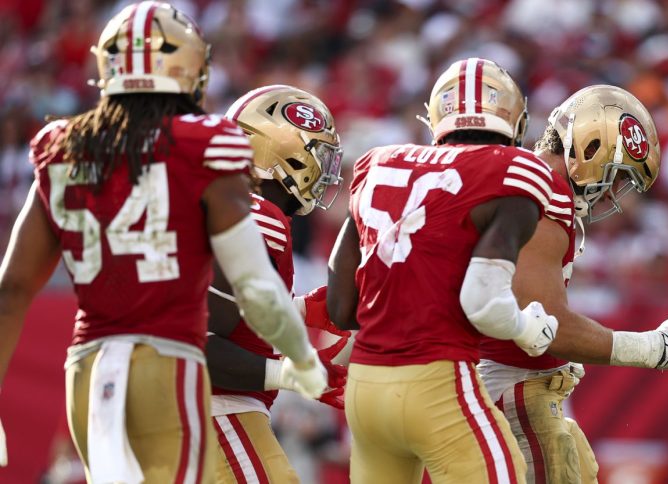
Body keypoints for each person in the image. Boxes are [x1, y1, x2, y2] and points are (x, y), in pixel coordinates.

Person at [0, 3, 326, 481]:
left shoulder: (63, 147)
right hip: (168, 365)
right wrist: (298, 361)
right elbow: (249, 287)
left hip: (88, 371)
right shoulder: (206, 143)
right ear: (192, 72)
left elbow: (11, 290)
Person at [327, 57, 560, 484]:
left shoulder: (378, 162)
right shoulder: (515, 171)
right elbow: (483, 302)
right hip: (437, 384)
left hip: (365, 392)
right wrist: (527, 328)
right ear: (516, 120)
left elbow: (341, 308)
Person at [477, 85, 668, 484]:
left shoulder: (529, 180)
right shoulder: (545, 190)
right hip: (508, 389)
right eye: (615, 176)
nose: (612, 193)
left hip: (502, 385)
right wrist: (650, 348)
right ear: (589, 148)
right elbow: (548, 325)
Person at [206, 84, 350, 484]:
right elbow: (194, 339)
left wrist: (301, 309)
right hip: (215, 414)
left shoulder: (218, 198)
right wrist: (289, 372)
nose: (324, 170)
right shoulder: (258, 215)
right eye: (317, 154)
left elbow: (221, 311)